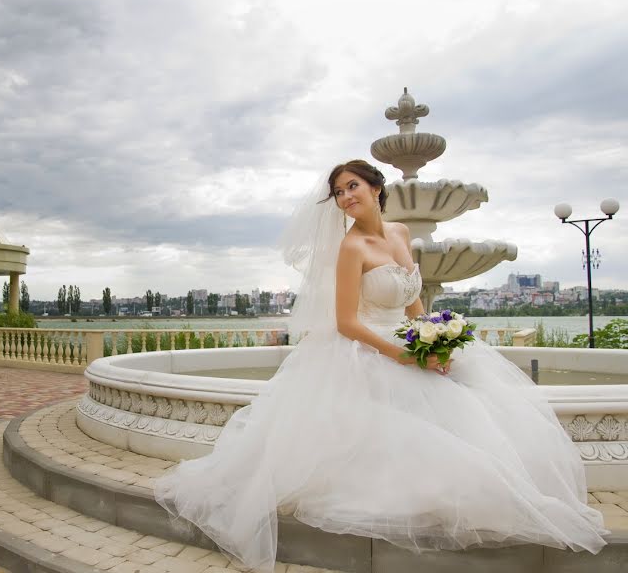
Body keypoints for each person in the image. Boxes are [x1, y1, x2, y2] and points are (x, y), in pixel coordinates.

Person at [154, 160, 608, 572]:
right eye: (338, 192)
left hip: (411, 341)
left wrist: (436, 341)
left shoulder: (399, 235)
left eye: (353, 186)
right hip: (366, 349)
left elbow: (412, 301)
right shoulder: (351, 248)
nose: (346, 196)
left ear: (375, 188)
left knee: (473, 405)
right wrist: (407, 356)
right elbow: (347, 323)